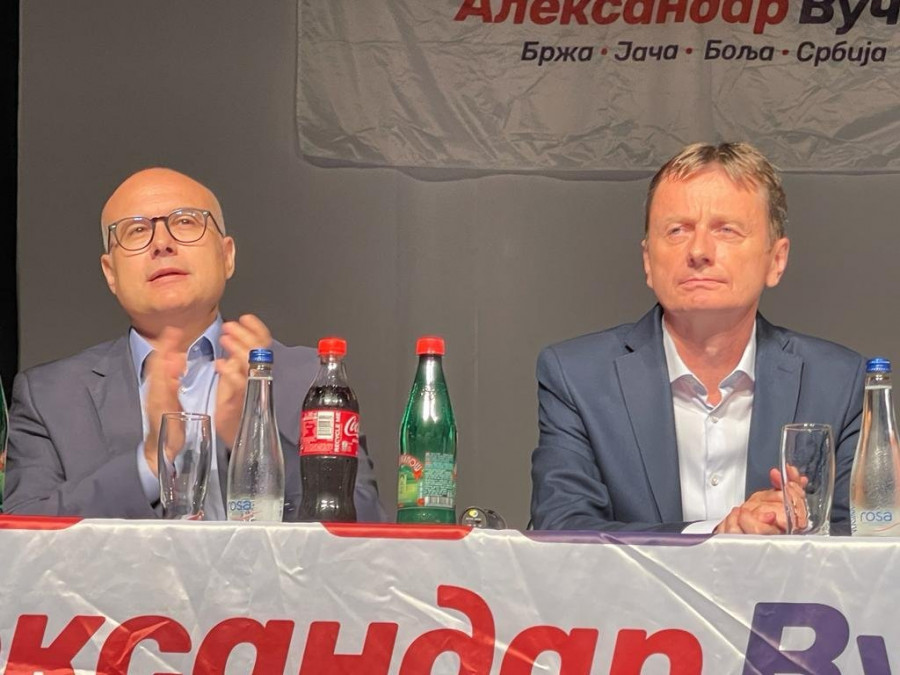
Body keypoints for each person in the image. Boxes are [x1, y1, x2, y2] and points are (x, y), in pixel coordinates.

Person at [5, 167, 387, 521]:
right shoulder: (50, 397)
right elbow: (21, 539)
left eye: (186, 222)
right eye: (136, 231)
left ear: (227, 256)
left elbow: (364, 530)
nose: (162, 243)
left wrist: (252, 440)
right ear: (111, 273)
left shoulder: (309, 380)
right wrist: (149, 462)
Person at [531, 142, 865, 534]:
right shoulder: (577, 377)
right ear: (647, 261)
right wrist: (713, 536)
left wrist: (794, 528)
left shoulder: (840, 383)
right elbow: (562, 531)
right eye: (677, 230)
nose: (699, 251)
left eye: (726, 230)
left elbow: (868, 540)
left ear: (776, 260)